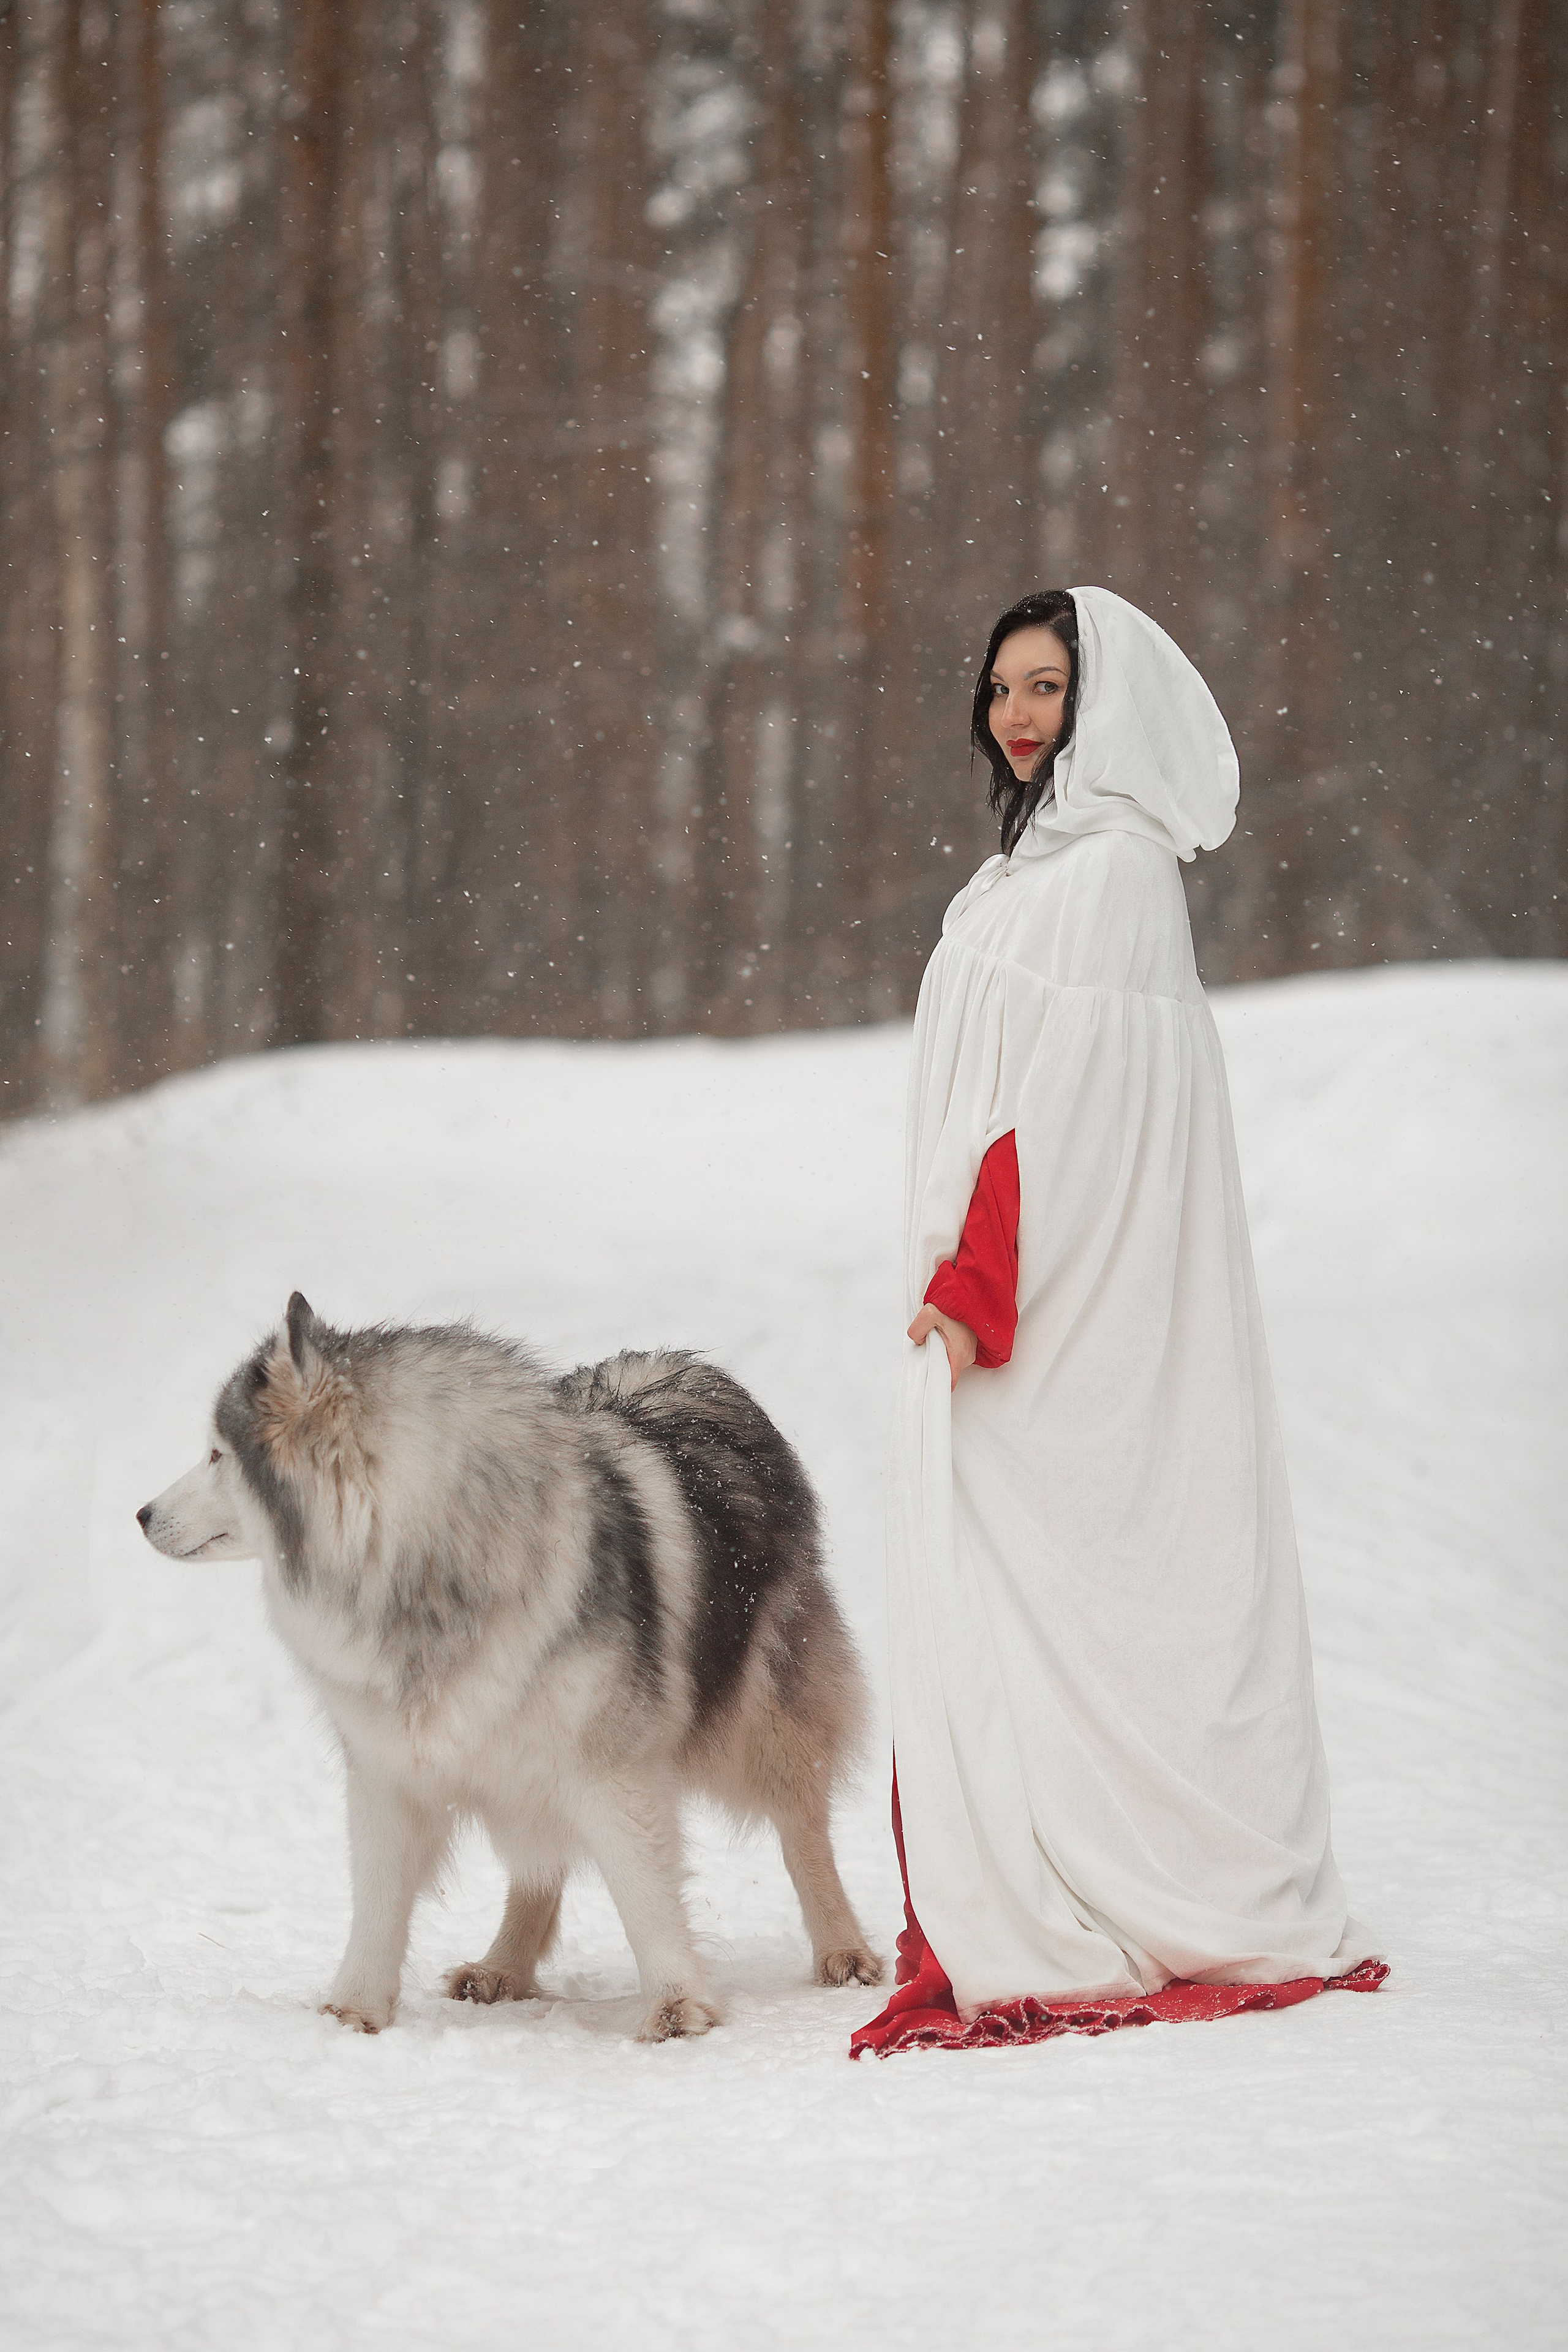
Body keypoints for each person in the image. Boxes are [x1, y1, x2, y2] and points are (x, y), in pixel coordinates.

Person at [851, 586, 1385, 2057]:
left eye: (1048, 690)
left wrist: (970, 1293)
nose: (1018, 717)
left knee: (1088, 1576)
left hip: (1055, 1316)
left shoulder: (1110, 880)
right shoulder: (1028, 874)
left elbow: (1060, 1124)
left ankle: (1151, 1880)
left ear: (1108, 710)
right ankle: (1086, 1858)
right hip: (1014, 1293)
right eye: (1002, 689)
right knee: (1030, 1592)